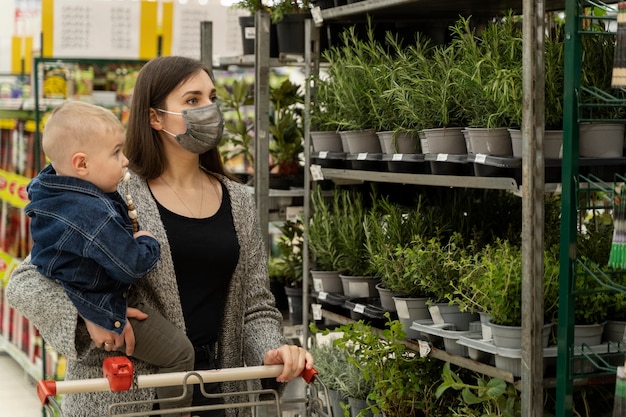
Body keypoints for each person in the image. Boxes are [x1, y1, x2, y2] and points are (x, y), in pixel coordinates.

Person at [7, 55, 313, 417]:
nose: (209, 110)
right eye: (192, 100)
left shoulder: (239, 200)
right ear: (154, 117)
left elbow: (256, 305)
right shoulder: (114, 191)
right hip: (127, 396)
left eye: (212, 98)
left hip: (220, 394)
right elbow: (25, 281)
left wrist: (271, 349)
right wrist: (88, 317)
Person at [24, 100, 195, 417]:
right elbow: (129, 265)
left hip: (86, 291)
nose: (126, 161)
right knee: (180, 354)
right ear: (82, 165)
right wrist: (147, 244)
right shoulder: (93, 213)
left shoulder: (51, 189)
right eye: (116, 152)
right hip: (105, 306)